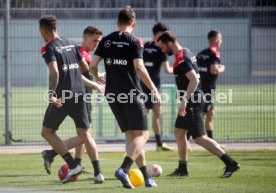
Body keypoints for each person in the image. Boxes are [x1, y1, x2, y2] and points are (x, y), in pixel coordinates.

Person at [90, 7, 160, 189]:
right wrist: (153, 89)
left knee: (132, 137)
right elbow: (139, 67)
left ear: (117, 23)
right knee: (143, 134)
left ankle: (147, 178)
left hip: (112, 94)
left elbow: (92, 64)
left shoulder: (105, 41)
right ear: (133, 24)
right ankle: (124, 169)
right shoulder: (135, 41)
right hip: (130, 93)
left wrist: (98, 76)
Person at [157, 31, 239, 178]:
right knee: (179, 131)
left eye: (162, 46)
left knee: (199, 138)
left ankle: (230, 163)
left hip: (193, 102)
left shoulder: (182, 58)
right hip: (192, 99)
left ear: (169, 43)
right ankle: (182, 169)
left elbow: (194, 80)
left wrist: (184, 100)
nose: (162, 50)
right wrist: (181, 92)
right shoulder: (185, 52)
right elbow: (188, 80)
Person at [39, 15, 104, 184]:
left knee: (47, 132)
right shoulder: (71, 43)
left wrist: (51, 94)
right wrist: (95, 83)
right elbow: (84, 69)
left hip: (63, 96)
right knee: (85, 134)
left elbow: (54, 73)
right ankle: (98, 173)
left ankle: (72, 165)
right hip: (81, 94)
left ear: (44, 30)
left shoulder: (48, 48)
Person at [141, 22, 174, 151]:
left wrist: (178, 69)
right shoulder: (148, 47)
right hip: (146, 86)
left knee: (157, 113)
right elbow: (167, 70)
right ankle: (138, 144)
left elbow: (167, 69)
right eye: (164, 33)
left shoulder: (159, 49)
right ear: (158, 34)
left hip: (151, 86)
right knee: (145, 115)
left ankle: (158, 143)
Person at [196, 30, 225, 139]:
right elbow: (214, 70)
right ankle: (188, 139)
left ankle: (210, 141)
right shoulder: (214, 54)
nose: (221, 41)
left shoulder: (200, 54)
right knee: (205, 115)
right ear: (216, 40)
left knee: (209, 114)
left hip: (199, 87)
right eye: (220, 39)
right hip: (208, 89)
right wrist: (222, 68)